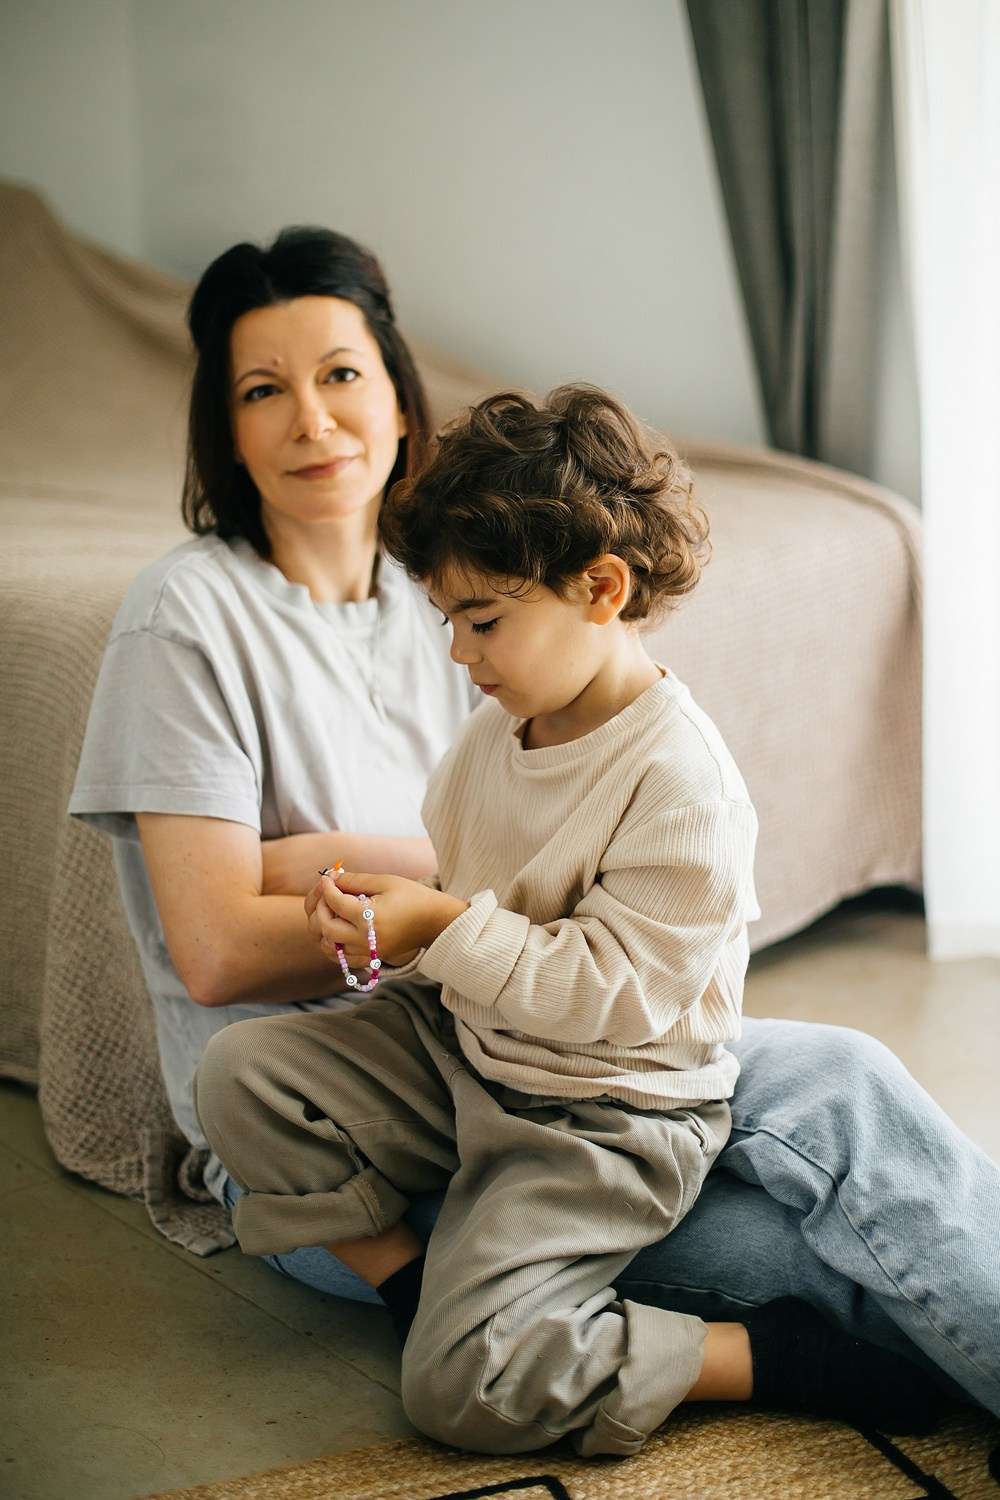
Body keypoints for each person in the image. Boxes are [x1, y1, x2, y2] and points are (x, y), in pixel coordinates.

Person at [68, 227, 1000, 1430]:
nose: (312, 421)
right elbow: (223, 947)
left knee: (849, 1089)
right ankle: (644, 1339)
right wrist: (445, 911)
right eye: (263, 390)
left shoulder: (458, 591)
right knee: (806, 1250)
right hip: (404, 1094)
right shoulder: (196, 619)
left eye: (341, 374)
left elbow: (517, 897)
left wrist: (335, 871)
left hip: (560, 1047)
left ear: (401, 394)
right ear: (223, 422)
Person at [194, 385, 948, 1456]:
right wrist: (377, 925)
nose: (461, 654)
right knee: (239, 1076)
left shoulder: (681, 782)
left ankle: (758, 1356)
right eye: (449, 620)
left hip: (598, 1107)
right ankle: (421, 1295)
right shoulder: (495, 736)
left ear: (601, 588)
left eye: (484, 620)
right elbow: (473, 912)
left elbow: (613, 994)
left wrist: (440, 927)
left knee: (459, 1398)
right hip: (468, 1046)